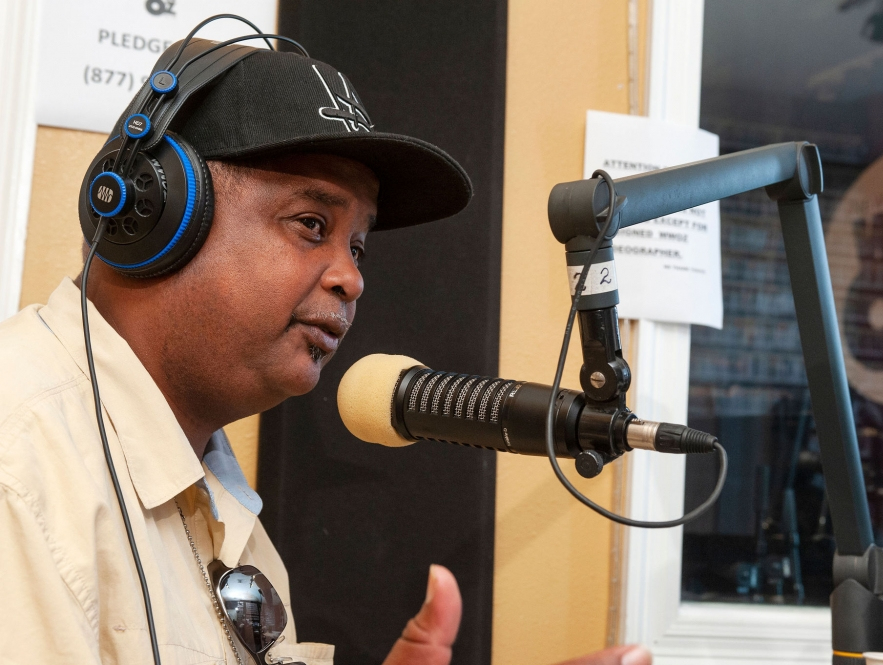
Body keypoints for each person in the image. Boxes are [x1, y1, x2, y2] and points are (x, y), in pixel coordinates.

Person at [0, 36, 653, 665]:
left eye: (358, 246)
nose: (353, 277)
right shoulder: (21, 464)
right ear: (154, 212)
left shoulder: (216, 504)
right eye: (312, 224)